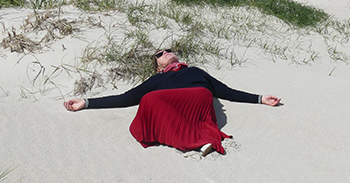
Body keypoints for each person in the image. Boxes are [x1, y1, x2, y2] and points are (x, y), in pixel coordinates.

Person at [64, 48, 280, 156]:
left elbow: (227, 92)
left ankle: (192, 141)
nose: (166, 53)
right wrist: (86, 102)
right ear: (158, 66)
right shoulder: (158, 79)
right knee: (149, 99)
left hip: (197, 97)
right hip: (170, 103)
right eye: (161, 53)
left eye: (169, 50)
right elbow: (126, 98)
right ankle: (201, 142)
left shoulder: (195, 71)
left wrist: (260, 99)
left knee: (151, 99)